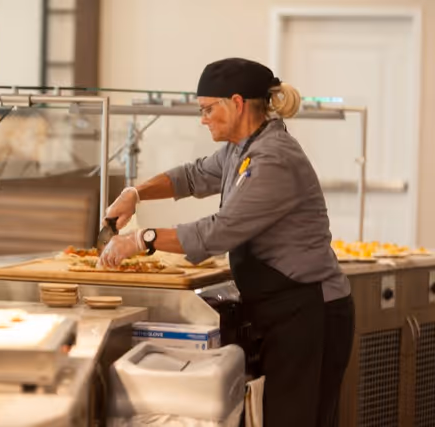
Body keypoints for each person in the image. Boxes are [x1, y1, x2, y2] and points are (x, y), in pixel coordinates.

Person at [98, 58, 355, 427]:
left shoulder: (274, 158)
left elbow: (219, 232)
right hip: (282, 311)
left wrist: (142, 239)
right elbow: (192, 176)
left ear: (236, 103)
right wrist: (134, 193)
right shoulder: (242, 148)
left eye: (207, 109)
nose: (202, 119)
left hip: (310, 312)